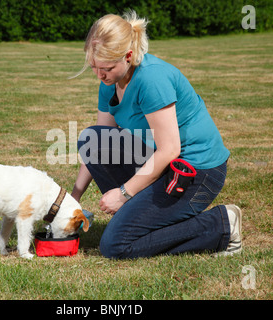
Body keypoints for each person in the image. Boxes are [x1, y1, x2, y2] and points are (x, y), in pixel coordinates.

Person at [70, 10, 242, 259]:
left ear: (128, 56)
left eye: (105, 67)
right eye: (93, 67)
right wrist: (74, 198)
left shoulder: (152, 79)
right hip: (162, 163)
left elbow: (170, 149)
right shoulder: (109, 83)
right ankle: (141, 218)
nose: (99, 74)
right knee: (91, 138)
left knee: (115, 245)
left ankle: (222, 224)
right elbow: (101, 142)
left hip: (196, 171)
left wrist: (123, 193)